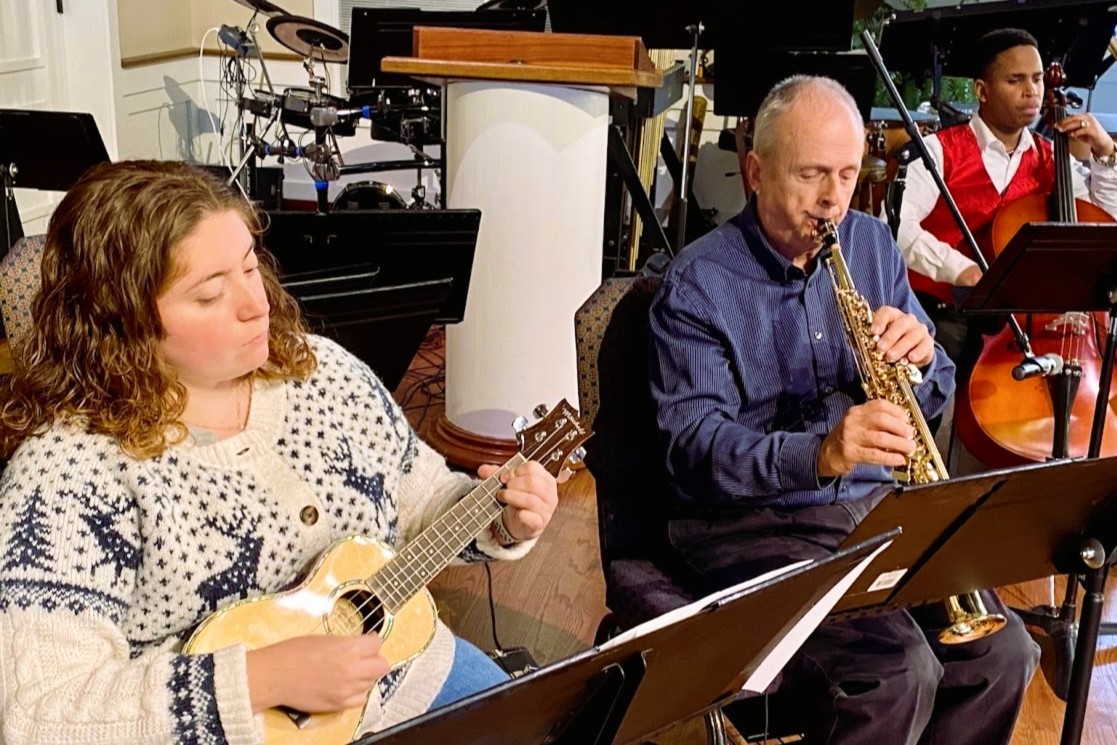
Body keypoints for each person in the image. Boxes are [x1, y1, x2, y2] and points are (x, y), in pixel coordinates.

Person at [0, 160, 560, 744]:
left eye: (250, 267)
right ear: (119, 321)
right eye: (210, 294)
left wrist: (497, 514)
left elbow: (420, 500)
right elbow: (41, 713)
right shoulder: (68, 475)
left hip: (411, 678)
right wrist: (257, 680)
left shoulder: (325, 372)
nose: (255, 304)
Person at [648, 75, 1040, 744]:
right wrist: (822, 452)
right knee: (895, 671)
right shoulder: (695, 285)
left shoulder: (869, 243)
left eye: (847, 174)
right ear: (754, 170)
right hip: (749, 527)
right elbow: (692, 449)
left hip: (872, 513)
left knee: (1004, 654)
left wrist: (920, 363)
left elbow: (934, 386)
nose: (832, 198)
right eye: (810, 175)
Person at [896, 27, 1117, 385]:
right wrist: (964, 270)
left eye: (1037, 78)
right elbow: (896, 226)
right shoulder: (938, 150)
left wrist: (1106, 154)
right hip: (944, 311)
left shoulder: (1051, 159)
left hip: (1020, 321)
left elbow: (1103, 226)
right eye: (1015, 80)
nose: (1032, 91)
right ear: (981, 90)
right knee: (933, 391)